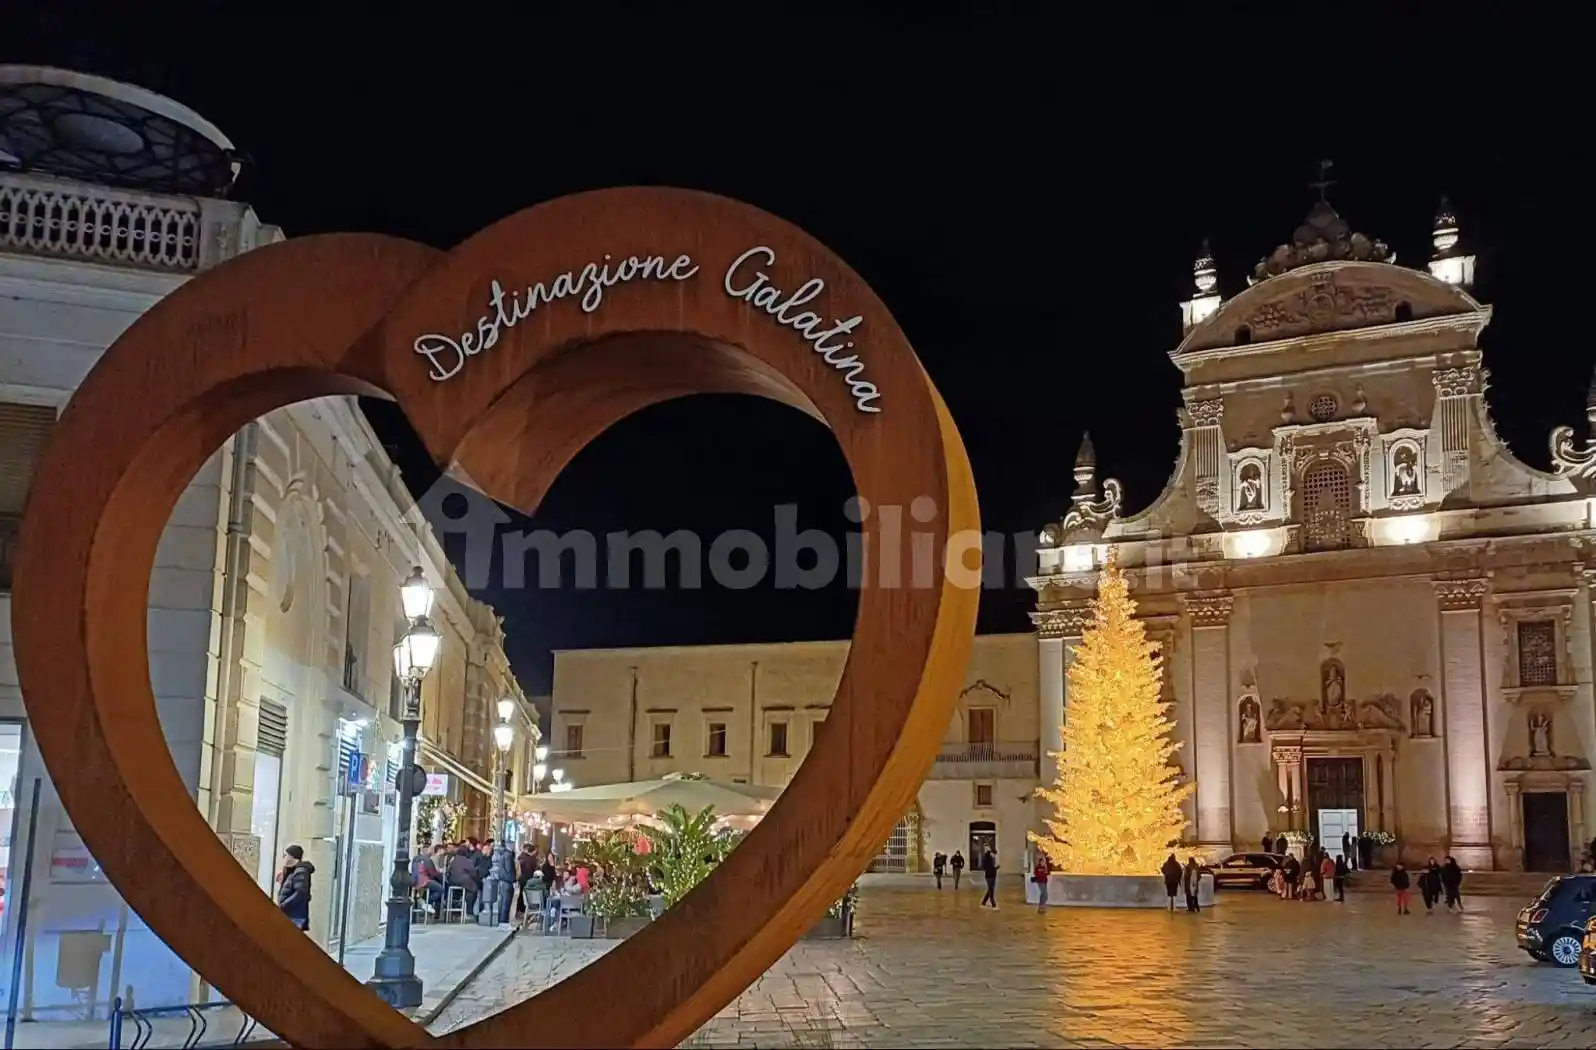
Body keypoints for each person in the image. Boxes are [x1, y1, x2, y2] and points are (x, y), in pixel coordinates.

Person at [276, 845, 314, 932]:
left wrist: (284, 905)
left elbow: (301, 894)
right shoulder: (292, 871)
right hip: (290, 916)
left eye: (285, 855)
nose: (284, 857)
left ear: (292, 857)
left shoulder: (301, 872)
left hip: (295, 917)